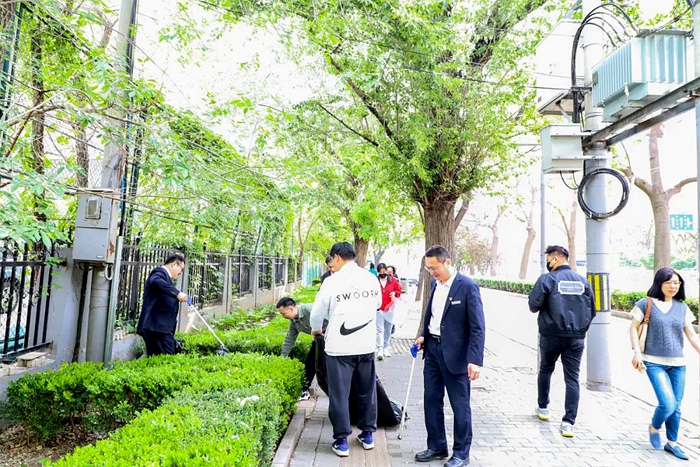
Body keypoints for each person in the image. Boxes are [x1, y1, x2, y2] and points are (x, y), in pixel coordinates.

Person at [414, 245, 485, 467]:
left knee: (459, 405)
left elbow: (478, 327)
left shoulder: (467, 286)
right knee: (431, 399)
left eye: (434, 267)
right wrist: (424, 335)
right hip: (432, 351)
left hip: (457, 356)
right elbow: (434, 316)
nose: (431, 272)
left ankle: (461, 453)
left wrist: (475, 360)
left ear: (447, 262)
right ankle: (437, 446)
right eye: (428, 268)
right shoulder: (435, 284)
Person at [311, 242, 381, 458]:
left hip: (339, 349)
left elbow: (317, 313)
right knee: (367, 390)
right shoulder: (370, 278)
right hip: (366, 344)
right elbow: (378, 304)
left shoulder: (332, 282)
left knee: (339, 395)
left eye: (332, 260)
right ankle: (367, 435)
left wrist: (316, 328)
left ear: (337, 257)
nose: (331, 264)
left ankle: (342, 441)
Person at [629, 267, 700, 461]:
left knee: (676, 407)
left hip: (678, 363)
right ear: (659, 283)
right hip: (653, 362)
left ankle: (672, 443)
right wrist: (637, 353)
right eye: (669, 282)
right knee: (668, 404)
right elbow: (633, 328)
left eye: (676, 283)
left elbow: (692, 335)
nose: (673, 286)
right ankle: (654, 426)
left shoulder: (682, 307)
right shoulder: (645, 303)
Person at [528, 245, 595, 438]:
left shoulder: (547, 279)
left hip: (551, 335)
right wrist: (580, 330)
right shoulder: (583, 282)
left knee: (545, 370)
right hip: (576, 338)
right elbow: (592, 311)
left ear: (555, 259)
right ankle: (568, 423)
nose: (548, 263)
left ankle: (543, 408)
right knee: (572, 379)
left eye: (549, 259)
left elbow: (533, 305)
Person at [136, 253, 189, 356]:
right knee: (166, 359)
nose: (181, 273)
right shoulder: (159, 272)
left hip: (161, 329)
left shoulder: (166, 278)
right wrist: (177, 293)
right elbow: (155, 281)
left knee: (159, 358)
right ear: (174, 264)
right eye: (181, 269)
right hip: (156, 328)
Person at [277, 296, 327, 401]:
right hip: (319, 339)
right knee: (311, 362)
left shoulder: (310, 310)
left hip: (332, 336)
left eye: (283, 313)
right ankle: (304, 390)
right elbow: (289, 340)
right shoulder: (294, 322)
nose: (282, 316)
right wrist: (282, 358)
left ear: (291, 309)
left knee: (331, 364)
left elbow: (333, 319)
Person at [375, 262, 402, 360]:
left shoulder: (393, 281)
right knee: (379, 329)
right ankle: (380, 348)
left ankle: (386, 347)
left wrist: (395, 293)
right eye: (380, 272)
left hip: (390, 309)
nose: (383, 274)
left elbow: (399, 290)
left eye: (384, 272)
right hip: (378, 309)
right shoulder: (375, 281)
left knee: (388, 329)